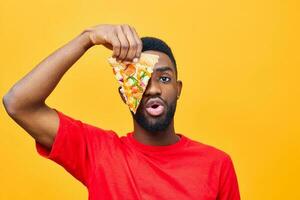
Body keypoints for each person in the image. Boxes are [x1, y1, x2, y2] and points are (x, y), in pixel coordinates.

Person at [3, 24, 240, 200]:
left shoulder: (216, 165)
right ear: (124, 94)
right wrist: (87, 39)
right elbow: (17, 103)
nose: (153, 89)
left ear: (177, 90)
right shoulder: (99, 152)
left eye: (164, 78)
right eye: (141, 80)